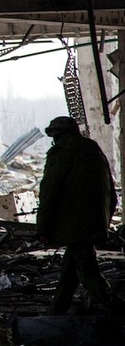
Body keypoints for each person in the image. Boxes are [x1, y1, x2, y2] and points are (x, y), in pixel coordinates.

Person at [36, 116, 119, 315]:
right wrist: (104, 220)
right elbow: (111, 190)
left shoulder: (61, 153)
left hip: (75, 225)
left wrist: (43, 228)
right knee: (70, 272)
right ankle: (55, 312)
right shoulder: (93, 149)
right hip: (94, 221)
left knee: (88, 274)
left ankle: (118, 309)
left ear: (57, 136)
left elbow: (49, 193)